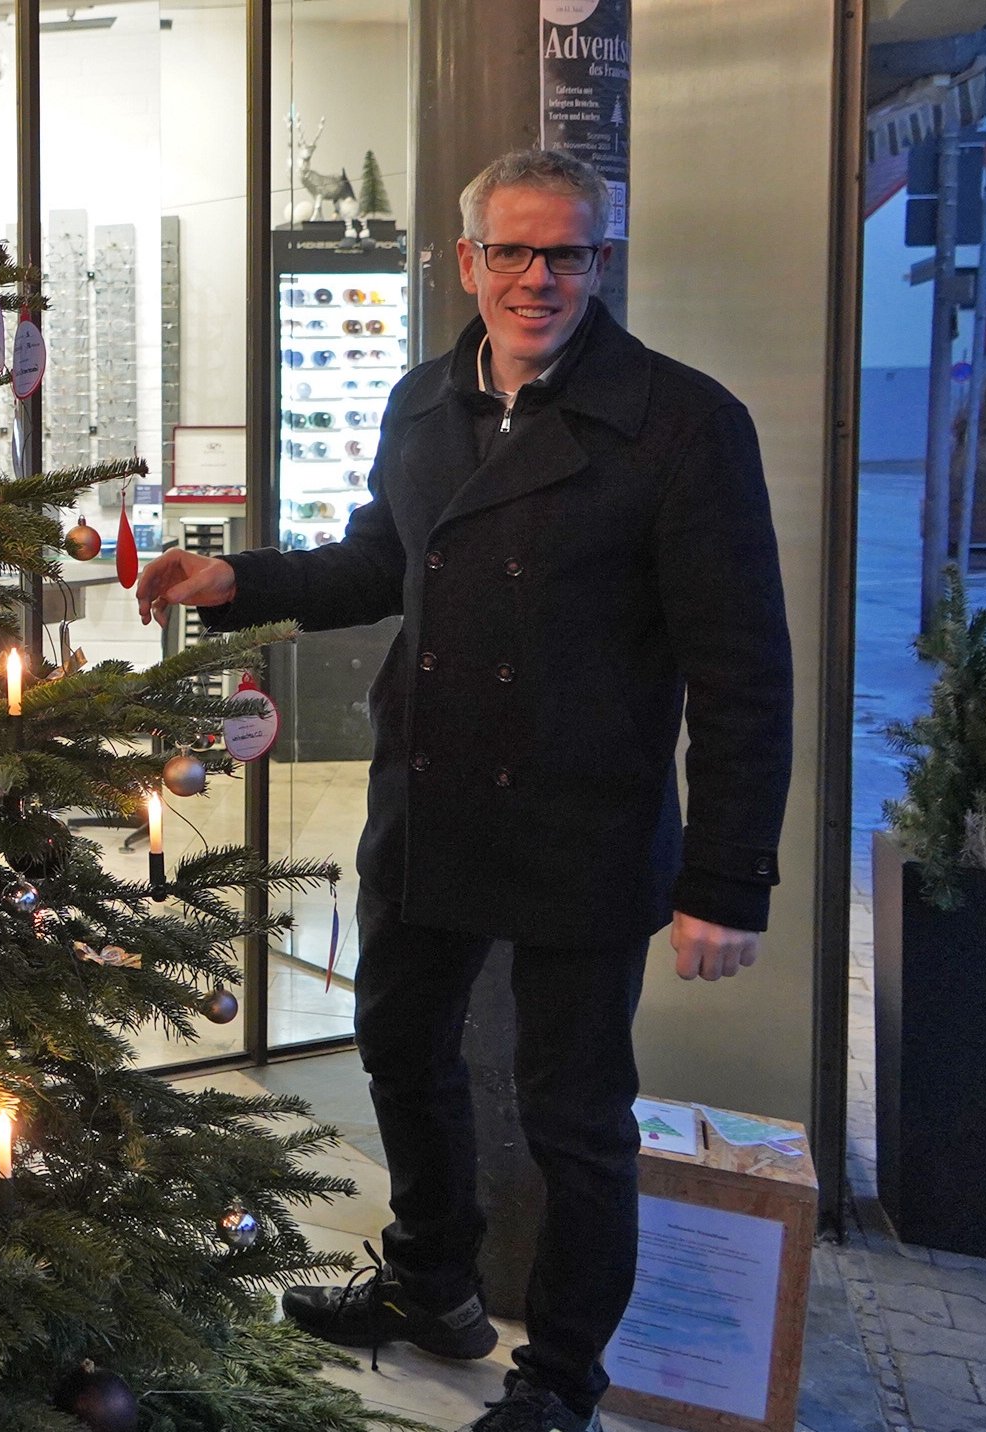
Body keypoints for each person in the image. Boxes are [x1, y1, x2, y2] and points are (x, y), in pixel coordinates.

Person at [136, 148, 793, 1432]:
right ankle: (429, 1284)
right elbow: (380, 563)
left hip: (583, 818)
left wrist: (725, 877)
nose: (539, 278)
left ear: (600, 264)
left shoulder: (680, 421)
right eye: (513, 251)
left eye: (568, 254)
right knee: (400, 1050)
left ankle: (556, 1377)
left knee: (572, 1114)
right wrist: (237, 584)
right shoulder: (423, 403)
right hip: (430, 795)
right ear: (465, 261)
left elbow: (741, 671)